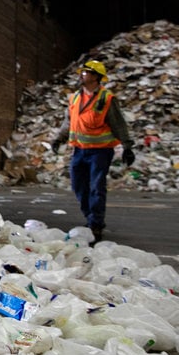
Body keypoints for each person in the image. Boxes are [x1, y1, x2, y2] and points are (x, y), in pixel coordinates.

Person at [49, 59, 135, 243]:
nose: (82, 75)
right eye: (82, 72)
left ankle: (96, 225)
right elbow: (68, 122)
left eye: (86, 72)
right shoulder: (75, 98)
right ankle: (90, 217)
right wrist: (58, 139)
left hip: (100, 152)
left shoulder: (106, 99)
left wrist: (127, 146)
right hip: (79, 150)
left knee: (96, 187)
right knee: (78, 186)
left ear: (96, 77)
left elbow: (118, 123)